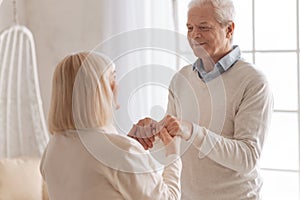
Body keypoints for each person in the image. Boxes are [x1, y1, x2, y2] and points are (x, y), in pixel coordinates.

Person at [130, 0, 273, 199]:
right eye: (190, 28)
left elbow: (247, 158)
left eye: (204, 27)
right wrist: (148, 135)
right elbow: (174, 145)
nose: (194, 35)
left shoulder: (253, 81)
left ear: (229, 29)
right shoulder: (180, 79)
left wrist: (192, 131)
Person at [40, 51, 184, 200]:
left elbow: (93, 182)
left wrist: (129, 143)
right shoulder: (122, 152)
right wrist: (173, 154)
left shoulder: (52, 148)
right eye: (113, 77)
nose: (117, 85)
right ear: (100, 89)